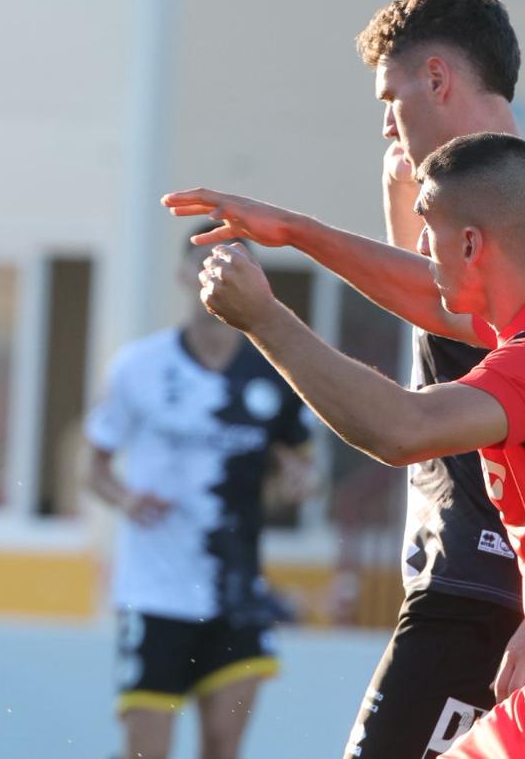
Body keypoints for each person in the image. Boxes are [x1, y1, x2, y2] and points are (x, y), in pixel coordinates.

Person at [173, 133, 525, 758]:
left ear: (471, 244)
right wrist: (296, 231)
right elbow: (429, 297)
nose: (418, 249)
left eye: (427, 229)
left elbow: (399, 430)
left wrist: (265, 318)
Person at [184, 0, 525, 758]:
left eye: (391, 95)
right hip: (474, 580)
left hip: (488, 586)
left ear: (438, 78)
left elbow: (471, 336)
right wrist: (405, 207)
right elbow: (445, 321)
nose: (385, 121)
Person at [85, 236, 316, 759]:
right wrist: (126, 499)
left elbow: (296, 464)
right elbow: (94, 470)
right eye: (205, 264)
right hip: (155, 592)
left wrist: (300, 482)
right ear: (184, 277)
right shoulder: (138, 365)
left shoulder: (273, 370)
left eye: (236, 265)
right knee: (146, 752)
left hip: (237, 594)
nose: (218, 275)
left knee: (221, 749)